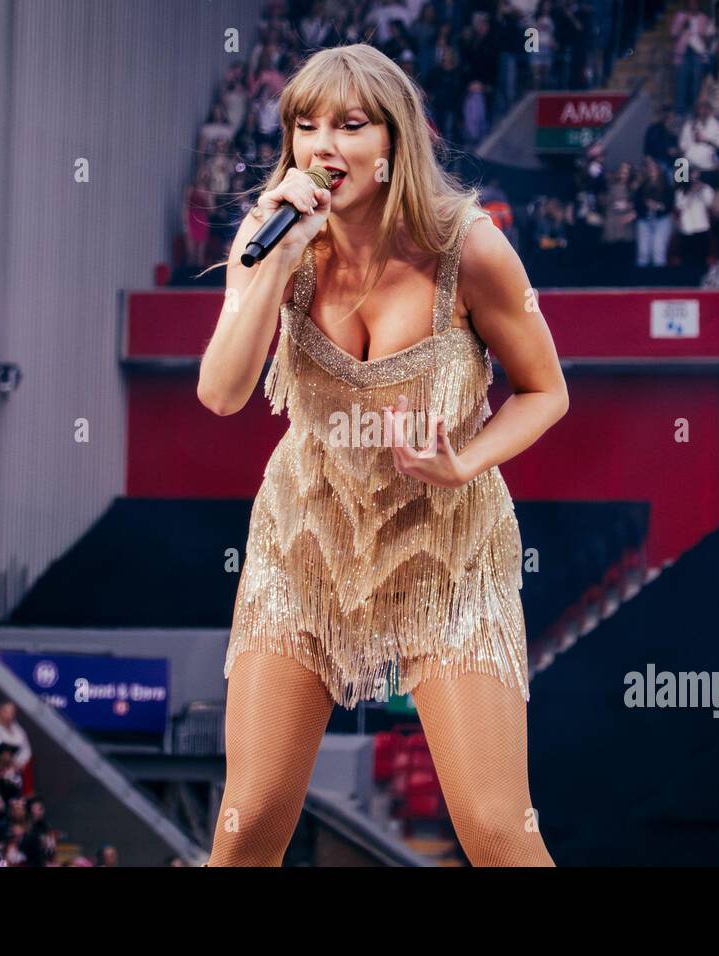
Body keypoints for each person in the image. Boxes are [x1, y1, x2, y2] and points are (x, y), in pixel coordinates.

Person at [196, 44, 567, 867]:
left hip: (449, 546)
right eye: (306, 126)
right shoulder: (273, 239)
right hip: (308, 538)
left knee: (498, 828)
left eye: (350, 125)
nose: (323, 146)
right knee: (249, 816)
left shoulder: (466, 247)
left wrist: (466, 461)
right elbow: (221, 394)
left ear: (394, 141)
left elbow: (548, 391)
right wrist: (274, 266)